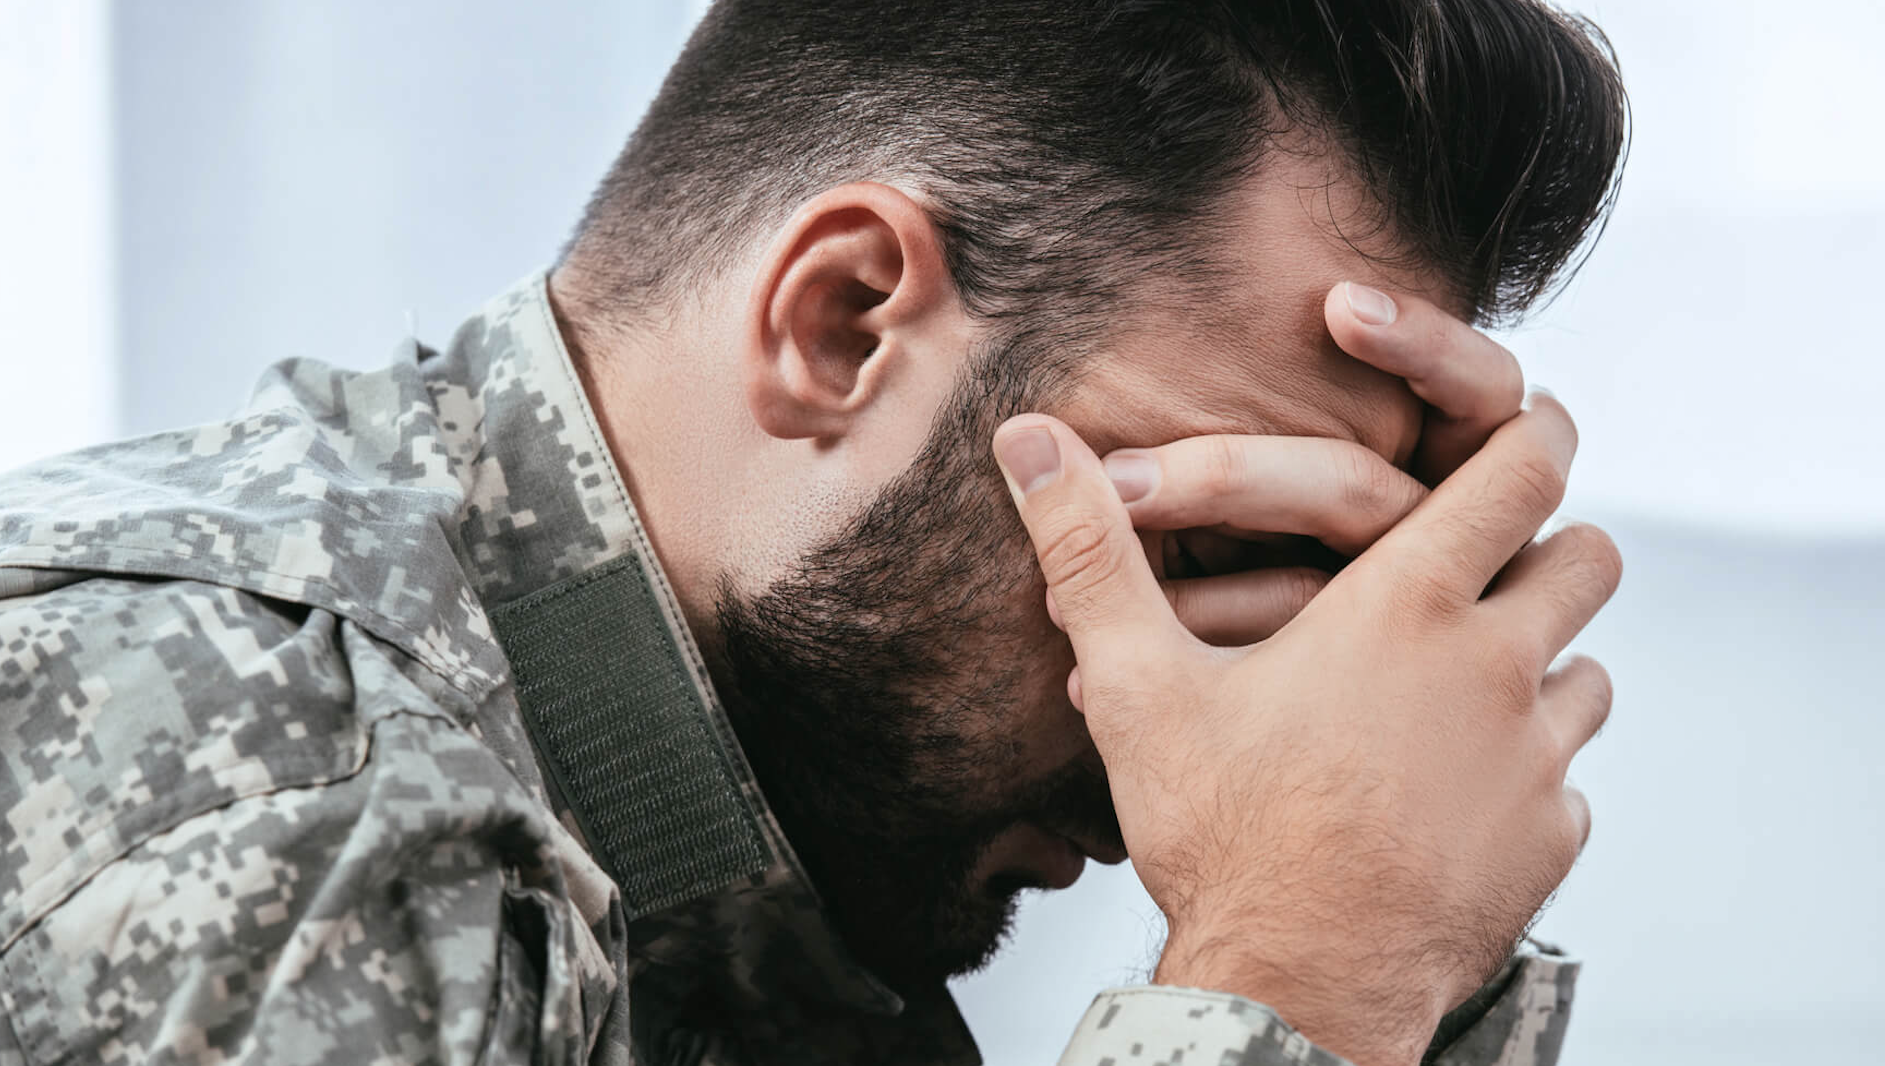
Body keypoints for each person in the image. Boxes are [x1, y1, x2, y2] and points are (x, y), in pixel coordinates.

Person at [0, 2, 1627, 1064]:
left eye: (1315, 580)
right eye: (1194, 545)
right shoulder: (270, 777)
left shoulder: (735, 886)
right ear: (843, 323)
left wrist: (1416, 944)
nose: (1180, 753)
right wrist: (1301, 971)